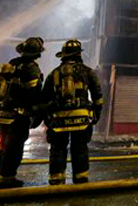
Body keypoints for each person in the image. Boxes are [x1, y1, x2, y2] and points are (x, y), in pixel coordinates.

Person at [42, 39, 103, 185]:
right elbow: (98, 96)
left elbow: (44, 98)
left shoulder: (54, 73)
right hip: (82, 119)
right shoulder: (88, 72)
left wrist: (46, 118)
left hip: (58, 119)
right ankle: (80, 178)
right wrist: (96, 115)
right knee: (80, 148)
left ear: (63, 55)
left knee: (57, 148)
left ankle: (56, 178)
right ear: (79, 54)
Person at [0, 37, 44, 188]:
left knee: (3, 146)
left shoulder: (11, 64)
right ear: (38, 53)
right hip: (18, 116)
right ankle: (6, 179)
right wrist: (37, 113)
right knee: (14, 149)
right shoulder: (32, 68)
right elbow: (33, 95)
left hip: (2, 115)